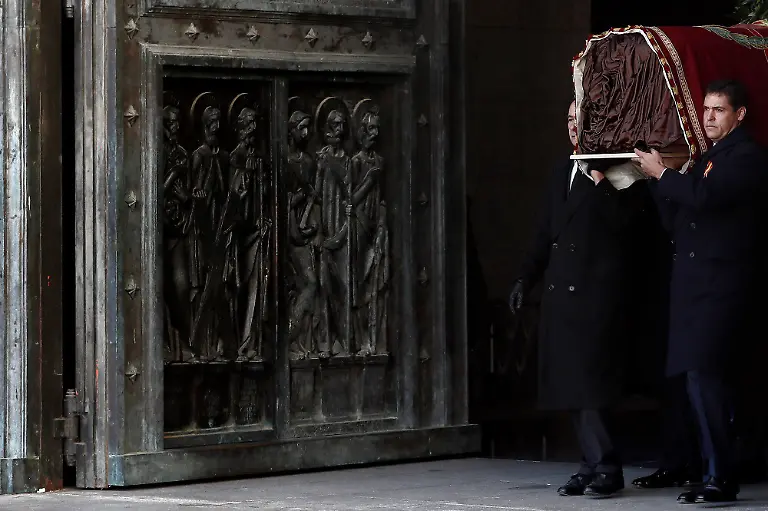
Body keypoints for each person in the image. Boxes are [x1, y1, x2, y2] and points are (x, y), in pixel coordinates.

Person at [633, 79, 768, 503]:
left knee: (708, 381)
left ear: (739, 115)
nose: (709, 117)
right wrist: (657, 183)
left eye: (719, 110)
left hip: (721, 290)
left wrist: (664, 175)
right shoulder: (708, 157)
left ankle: (720, 476)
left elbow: (705, 197)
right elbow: (681, 219)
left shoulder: (745, 156)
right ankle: (706, 469)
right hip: (694, 290)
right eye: (706, 109)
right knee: (694, 382)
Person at [509, 99, 649, 497]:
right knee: (571, 385)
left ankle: (607, 466)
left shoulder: (624, 171)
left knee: (590, 386)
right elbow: (544, 233)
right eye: (569, 119)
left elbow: (629, 227)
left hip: (595, 298)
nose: (574, 125)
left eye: (581, 118)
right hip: (561, 297)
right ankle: (590, 463)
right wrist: (524, 278)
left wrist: (601, 180)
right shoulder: (561, 170)